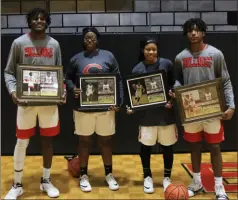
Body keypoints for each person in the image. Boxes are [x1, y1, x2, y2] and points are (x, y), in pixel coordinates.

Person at [4, 8, 65, 199]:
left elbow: (59, 72)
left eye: (42, 18)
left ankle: (46, 181)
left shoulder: (54, 44)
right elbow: (9, 72)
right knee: (22, 141)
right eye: (35, 18)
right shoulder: (19, 43)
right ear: (29, 21)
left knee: (47, 141)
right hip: (26, 102)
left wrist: (61, 91)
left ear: (47, 21)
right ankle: (17, 184)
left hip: (48, 102)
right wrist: (13, 91)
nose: (39, 21)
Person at [173, 18, 235, 200]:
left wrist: (231, 105)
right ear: (186, 34)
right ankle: (196, 182)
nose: (193, 33)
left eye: (197, 30)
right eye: (190, 31)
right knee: (194, 146)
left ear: (203, 33)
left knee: (215, 146)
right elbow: (178, 81)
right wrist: (176, 89)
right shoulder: (180, 57)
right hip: (191, 110)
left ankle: (218, 186)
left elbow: (225, 81)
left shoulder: (215, 54)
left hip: (212, 109)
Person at [65, 27, 123, 192]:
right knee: (84, 141)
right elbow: (67, 78)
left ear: (97, 39)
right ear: (83, 40)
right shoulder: (76, 58)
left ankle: (109, 174)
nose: (89, 41)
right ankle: (83, 175)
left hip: (105, 107)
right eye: (86, 38)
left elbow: (118, 79)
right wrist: (72, 88)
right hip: (83, 109)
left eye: (92, 38)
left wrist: (118, 100)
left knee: (106, 141)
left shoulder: (108, 56)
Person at [127, 37, 178, 194]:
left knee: (167, 147)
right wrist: (132, 108)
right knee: (146, 147)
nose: (151, 52)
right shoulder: (137, 69)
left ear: (157, 50)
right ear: (143, 51)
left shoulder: (167, 64)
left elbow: (175, 83)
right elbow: (136, 96)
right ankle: (147, 176)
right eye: (148, 49)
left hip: (165, 114)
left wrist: (173, 96)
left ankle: (167, 177)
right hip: (147, 117)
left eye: (153, 49)